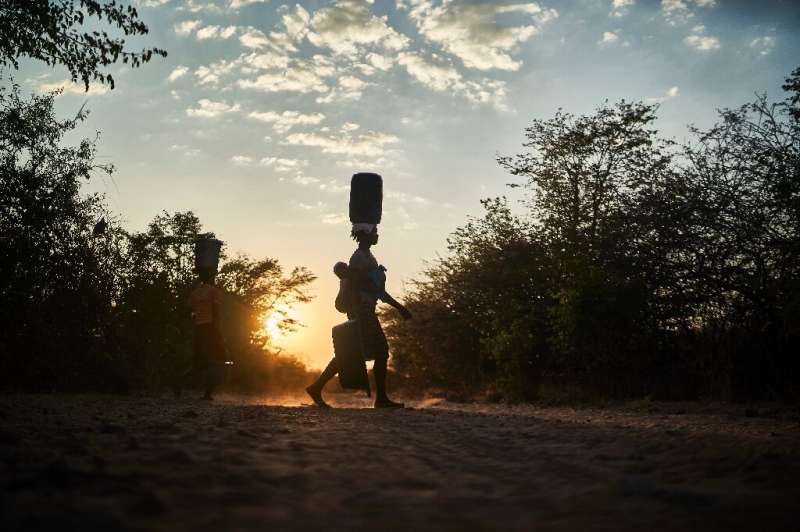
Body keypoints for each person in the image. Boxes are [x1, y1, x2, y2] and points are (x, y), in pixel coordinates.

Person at [306, 224, 412, 408]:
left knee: (349, 353)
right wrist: (357, 314)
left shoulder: (367, 257)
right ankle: (381, 399)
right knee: (380, 351)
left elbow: (378, 291)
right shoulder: (358, 258)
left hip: (365, 310)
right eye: (374, 233)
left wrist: (399, 307)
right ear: (365, 235)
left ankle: (316, 387)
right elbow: (356, 287)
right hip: (362, 312)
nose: (377, 235)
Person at [176, 267, 226, 400]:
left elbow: (187, 311)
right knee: (216, 361)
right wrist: (218, 331)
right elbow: (215, 311)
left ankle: (179, 381)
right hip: (210, 328)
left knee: (198, 363)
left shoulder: (195, 293)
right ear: (211, 278)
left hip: (198, 328)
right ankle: (207, 394)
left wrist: (187, 325)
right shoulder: (214, 291)